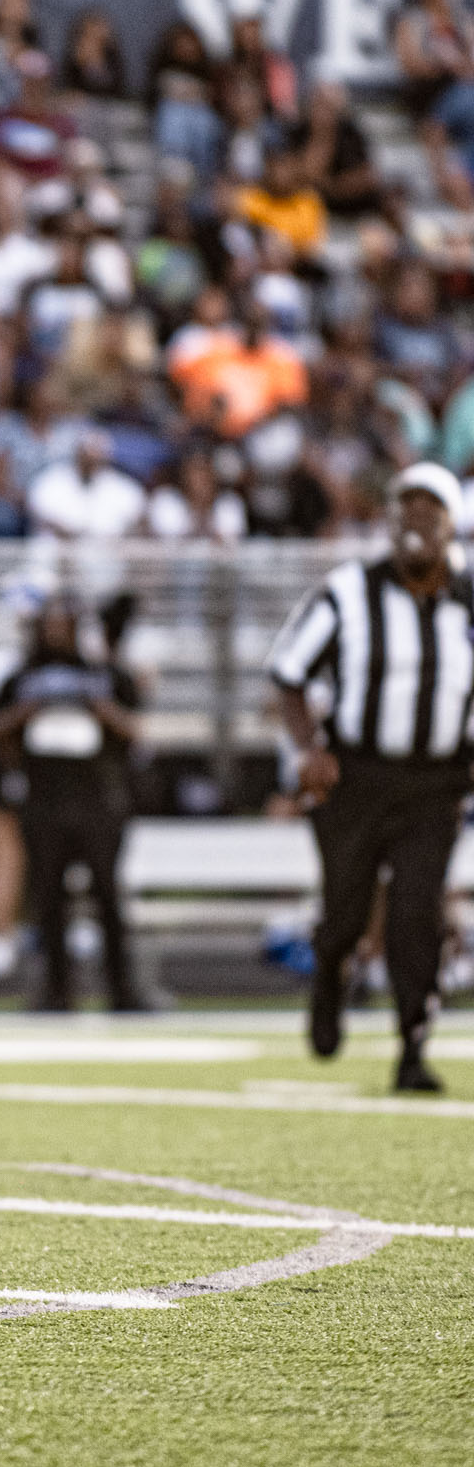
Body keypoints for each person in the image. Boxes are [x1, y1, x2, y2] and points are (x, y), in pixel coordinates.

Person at [267, 463, 474, 1094]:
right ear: (387, 519)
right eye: (403, 506)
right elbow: (288, 670)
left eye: (428, 508)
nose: (414, 520)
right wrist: (310, 747)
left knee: (418, 913)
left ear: (449, 523)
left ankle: (413, 1044)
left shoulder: (469, 600)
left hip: (437, 781)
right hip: (357, 776)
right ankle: (331, 970)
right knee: (347, 910)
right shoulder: (348, 591)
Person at [0, 595, 145, 1013]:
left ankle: (122, 989)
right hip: (43, 801)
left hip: (97, 801)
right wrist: (25, 712)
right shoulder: (21, 677)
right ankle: (56, 990)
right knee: (48, 898)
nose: (55, 634)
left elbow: (135, 729)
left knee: (107, 895)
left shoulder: (103, 675)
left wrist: (99, 708)